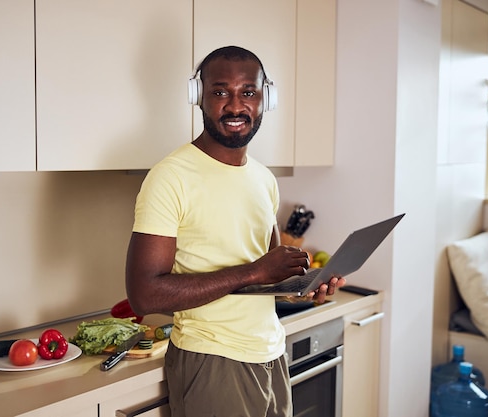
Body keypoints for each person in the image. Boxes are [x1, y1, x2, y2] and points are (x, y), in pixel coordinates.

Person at [125, 45, 345, 417]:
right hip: (213, 362)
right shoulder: (170, 177)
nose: (235, 106)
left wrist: (305, 287)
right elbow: (144, 296)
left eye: (248, 92)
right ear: (199, 97)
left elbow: (269, 276)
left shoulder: (263, 179)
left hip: (272, 355)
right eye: (220, 91)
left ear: (265, 100)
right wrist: (256, 271)